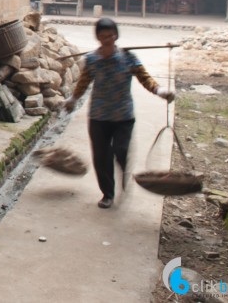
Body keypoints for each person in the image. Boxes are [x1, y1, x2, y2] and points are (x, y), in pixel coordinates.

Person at [63, 18, 175, 209]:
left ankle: (123, 172)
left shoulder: (128, 58)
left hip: (123, 115)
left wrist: (160, 91)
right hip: (98, 116)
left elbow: (145, 78)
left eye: (111, 36)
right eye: (103, 36)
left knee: (121, 151)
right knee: (101, 157)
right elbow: (83, 82)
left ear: (116, 36)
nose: (107, 39)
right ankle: (107, 194)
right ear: (97, 37)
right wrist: (73, 99)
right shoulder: (92, 60)